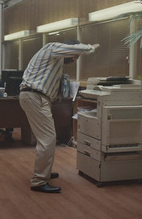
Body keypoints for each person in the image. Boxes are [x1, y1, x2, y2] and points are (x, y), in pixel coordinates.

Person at [19, 40, 100, 193]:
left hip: (36, 98)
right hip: (34, 97)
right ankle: (38, 181)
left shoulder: (55, 61)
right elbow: (71, 48)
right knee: (48, 139)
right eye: (75, 56)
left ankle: (45, 173)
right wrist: (90, 47)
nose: (74, 60)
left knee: (47, 139)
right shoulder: (52, 47)